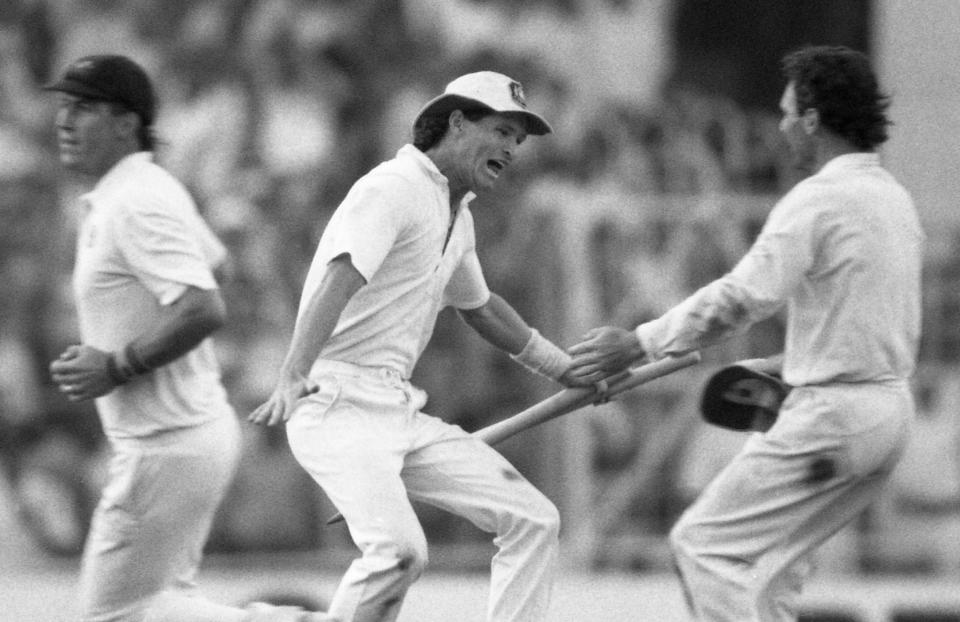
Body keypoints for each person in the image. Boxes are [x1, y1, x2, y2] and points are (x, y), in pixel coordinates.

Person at [567, 45, 923, 621]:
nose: (781, 126)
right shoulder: (893, 199)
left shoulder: (819, 199)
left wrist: (640, 342)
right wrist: (789, 366)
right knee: (766, 576)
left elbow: (743, 297)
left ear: (812, 120)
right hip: (888, 416)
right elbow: (870, 327)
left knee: (703, 546)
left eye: (787, 113)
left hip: (832, 417)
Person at [249, 71, 590, 622]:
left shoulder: (458, 213)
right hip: (334, 401)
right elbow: (342, 274)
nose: (510, 148)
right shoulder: (394, 187)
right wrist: (293, 371)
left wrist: (565, 368)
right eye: (502, 130)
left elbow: (481, 309)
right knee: (400, 553)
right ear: (456, 121)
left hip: (397, 409)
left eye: (517, 141)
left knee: (535, 519)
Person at [45, 55, 305, 622]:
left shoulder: (133, 203)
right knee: (159, 607)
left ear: (126, 123)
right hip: (185, 436)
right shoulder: (147, 188)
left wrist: (116, 366)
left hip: (165, 442)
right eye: (64, 106)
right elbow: (219, 266)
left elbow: (205, 306)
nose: (64, 121)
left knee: (112, 616)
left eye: (84, 108)